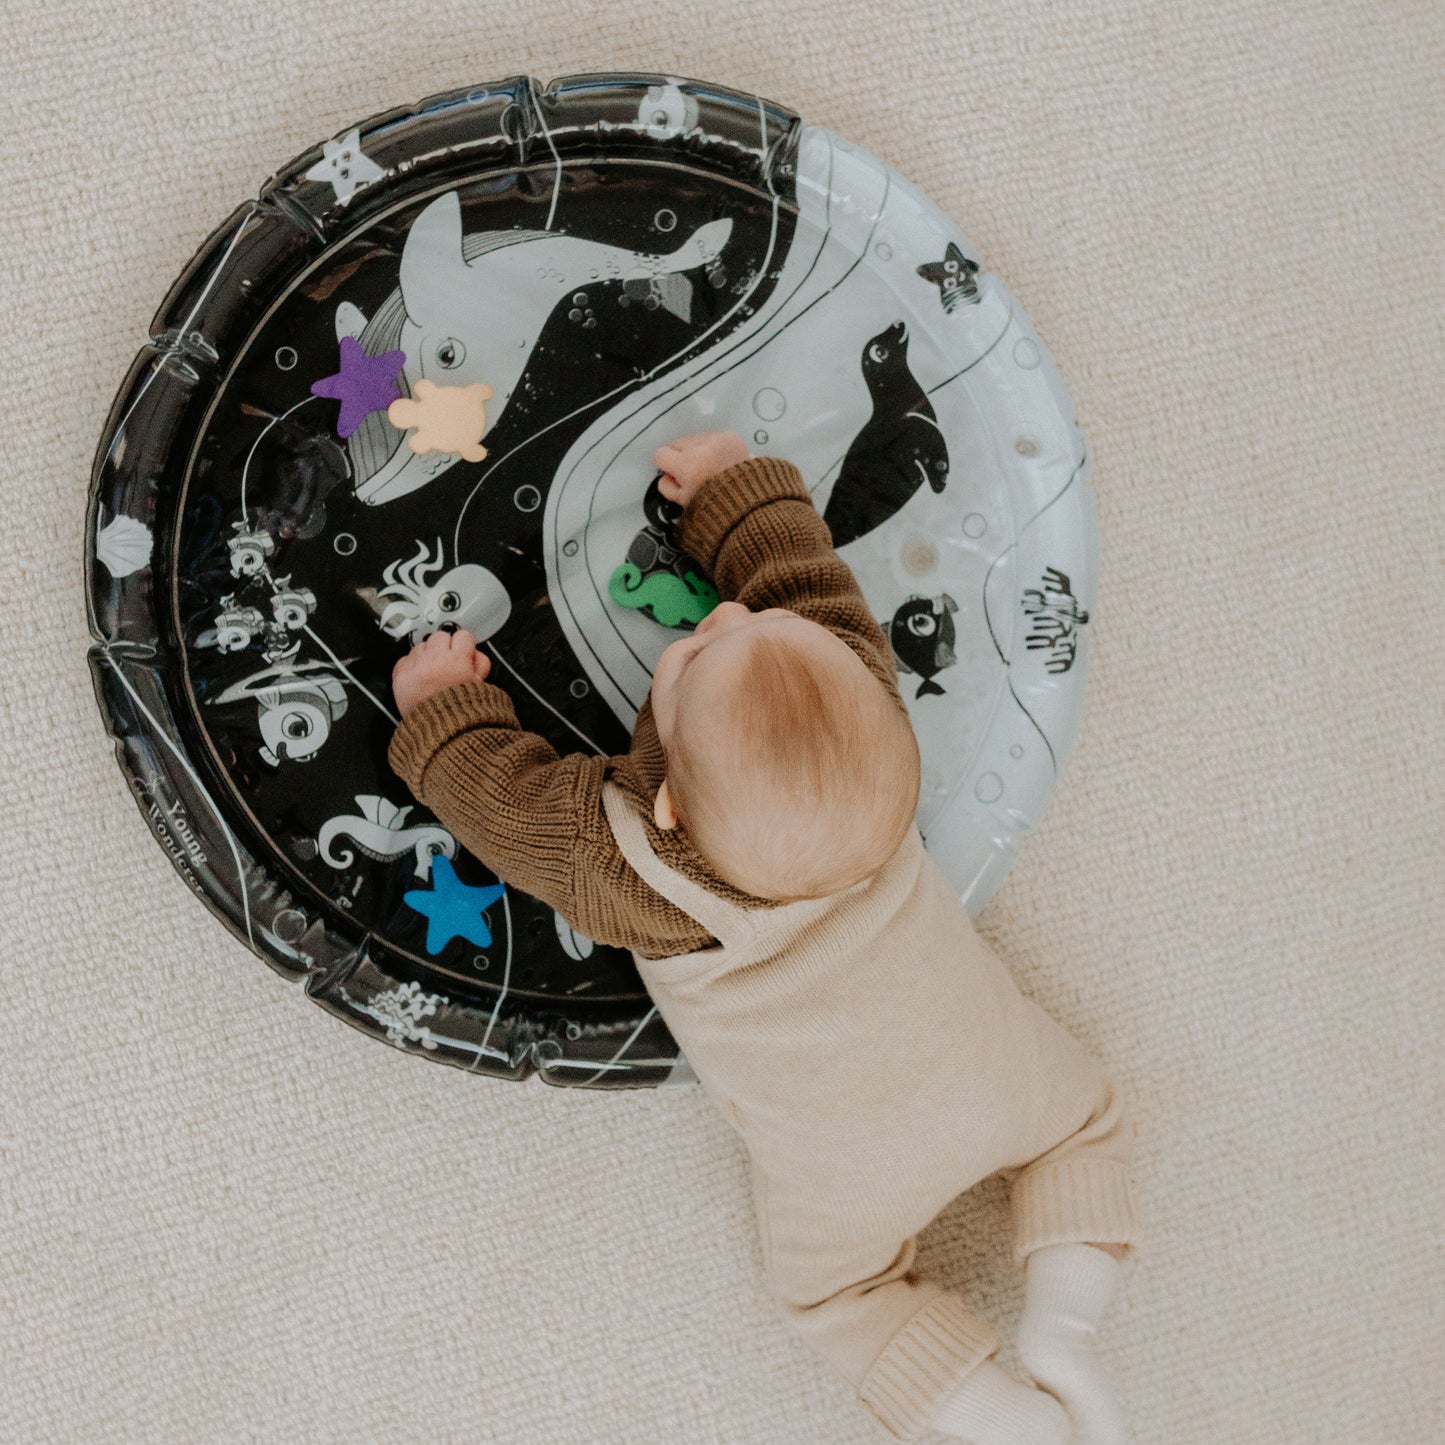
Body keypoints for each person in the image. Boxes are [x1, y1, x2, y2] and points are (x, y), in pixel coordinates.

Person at [388, 430, 1142, 1443]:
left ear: (667, 817)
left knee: (837, 1293)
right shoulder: (865, 705)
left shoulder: (638, 869)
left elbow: (508, 806)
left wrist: (444, 715)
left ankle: (995, 1416)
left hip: (851, 1179)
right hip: (997, 1081)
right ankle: (1063, 1329)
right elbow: (799, 579)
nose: (733, 611)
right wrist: (734, 493)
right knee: (1079, 1123)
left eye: (690, 652)